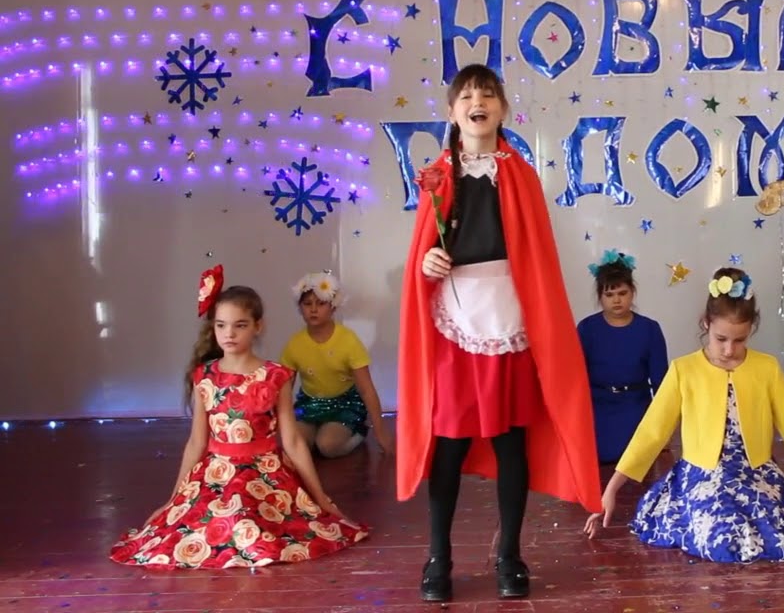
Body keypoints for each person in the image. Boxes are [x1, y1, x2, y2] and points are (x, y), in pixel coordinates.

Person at [397, 63, 602, 601]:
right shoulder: (437, 175)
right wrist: (427, 264)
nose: (477, 103)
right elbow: (424, 250)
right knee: (448, 443)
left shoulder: (520, 175)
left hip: (508, 320)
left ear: (503, 109)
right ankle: (438, 557)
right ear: (451, 112)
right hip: (456, 322)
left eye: (487, 94)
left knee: (511, 443)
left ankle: (509, 554)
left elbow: (535, 254)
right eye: (466, 96)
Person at [584, 267, 784, 563]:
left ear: (751, 331)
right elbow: (651, 432)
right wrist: (610, 491)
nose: (728, 350)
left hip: (756, 472)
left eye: (739, 340)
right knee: (721, 536)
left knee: (777, 536)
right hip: (702, 475)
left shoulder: (766, 368)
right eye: (720, 338)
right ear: (706, 323)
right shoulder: (684, 370)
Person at [109, 265, 368, 569]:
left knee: (256, 525)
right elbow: (196, 443)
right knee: (205, 527)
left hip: (265, 473)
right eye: (221, 325)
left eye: (240, 325)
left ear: (258, 326)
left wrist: (321, 498)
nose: (229, 334)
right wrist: (173, 500)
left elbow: (293, 442)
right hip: (215, 475)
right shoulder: (204, 376)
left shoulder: (275, 375)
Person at [280, 271, 392, 457]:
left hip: (344, 405)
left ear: (333, 306)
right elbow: (284, 391)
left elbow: (367, 390)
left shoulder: (348, 340)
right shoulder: (294, 344)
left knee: (327, 446)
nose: (313, 309)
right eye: (307, 304)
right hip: (310, 406)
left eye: (321, 303)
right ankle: (316, 435)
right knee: (296, 443)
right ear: (300, 307)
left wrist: (380, 432)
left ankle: (357, 432)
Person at [577, 249, 669, 465]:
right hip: (597, 410)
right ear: (600, 297)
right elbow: (576, 378)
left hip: (635, 408)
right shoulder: (587, 329)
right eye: (609, 295)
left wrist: (662, 429)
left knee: (636, 461)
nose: (616, 300)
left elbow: (662, 383)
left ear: (632, 293)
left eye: (622, 293)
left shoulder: (649, 329)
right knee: (597, 461)